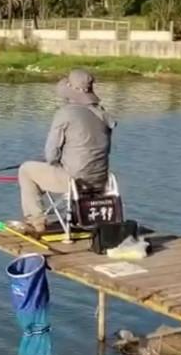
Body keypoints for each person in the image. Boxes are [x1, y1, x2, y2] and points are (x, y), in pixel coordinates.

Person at [18, 68, 115, 232]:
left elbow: (51, 154)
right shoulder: (103, 115)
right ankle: (77, 215)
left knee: (26, 170)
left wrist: (53, 161)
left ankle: (36, 221)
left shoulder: (65, 113)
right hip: (100, 181)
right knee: (45, 171)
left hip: (73, 180)